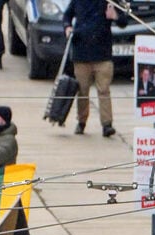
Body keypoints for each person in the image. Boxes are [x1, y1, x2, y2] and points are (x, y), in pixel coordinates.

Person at [62, 0, 128, 137]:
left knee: (103, 89)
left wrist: (115, 16)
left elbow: (124, 21)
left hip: (102, 54)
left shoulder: (109, 1)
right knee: (82, 90)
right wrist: (67, 27)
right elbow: (67, 15)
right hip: (81, 53)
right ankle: (81, 122)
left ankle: (107, 124)